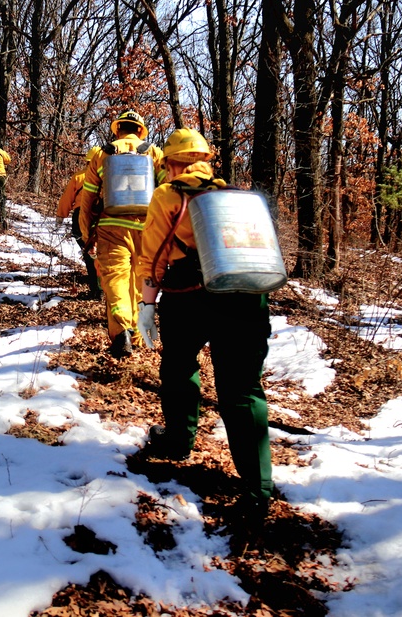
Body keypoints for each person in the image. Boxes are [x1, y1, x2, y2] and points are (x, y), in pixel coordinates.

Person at [135, 127, 274, 528]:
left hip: (189, 296)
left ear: (170, 163)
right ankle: (258, 489)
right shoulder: (233, 197)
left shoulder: (167, 195)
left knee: (179, 365)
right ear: (206, 160)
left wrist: (147, 304)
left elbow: (154, 254)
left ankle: (179, 441)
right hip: (248, 297)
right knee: (243, 389)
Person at [77, 110, 165, 358]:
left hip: (112, 228)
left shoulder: (102, 153)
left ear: (117, 130)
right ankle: (136, 336)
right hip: (147, 229)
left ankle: (121, 332)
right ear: (140, 130)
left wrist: (87, 235)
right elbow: (167, 191)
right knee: (140, 282)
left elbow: (88, 199)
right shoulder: (153, 152)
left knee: (115, 280)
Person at [55, 146, 101, 299]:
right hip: (102, 215)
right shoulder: (108, 177)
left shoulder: (78, 177)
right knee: (103, 253)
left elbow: (67, 198)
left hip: (80, 215)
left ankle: (96, 289)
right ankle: (103, 289)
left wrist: (61, 215)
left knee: (89, 252)